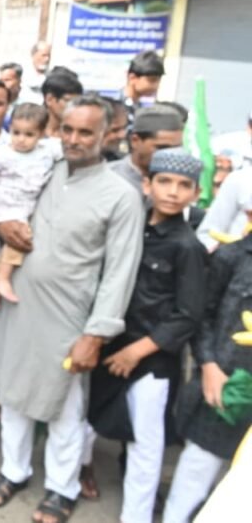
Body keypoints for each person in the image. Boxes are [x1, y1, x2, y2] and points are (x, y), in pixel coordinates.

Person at [0, 95, 144, 523]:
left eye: (85, 132)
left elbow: (120, 272)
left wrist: (95, 334)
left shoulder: (121, 196)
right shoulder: (44, 170)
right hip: (19, 305)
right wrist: (0, 226)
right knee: (13, 395)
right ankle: (14, 470)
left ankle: (61, 487)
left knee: (65, 408)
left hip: (70, 318)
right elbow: (9, 207)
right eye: (67, 129)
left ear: (107, 135)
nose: (74, 139)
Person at [84, 148, 207, 523]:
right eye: (164, 181)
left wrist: (136, 352)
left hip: (152, 359)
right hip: (109, 345)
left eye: (183, 185)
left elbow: (188, 315)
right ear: (147, 184)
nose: (172, 191)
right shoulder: (131, 229)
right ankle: (68, 481)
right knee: (89, 418)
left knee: (145, 444)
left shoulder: (187, 246)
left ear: (196, 193)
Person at [162, 215, 252, 522]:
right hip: (226, 381)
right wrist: (210, 366)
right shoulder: (232, 256)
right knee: (197, 470)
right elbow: (203, 316)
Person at [0, 104, 59, 304]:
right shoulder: (3, 153)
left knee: (16, 238)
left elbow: (63, 150)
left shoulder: (47, 150)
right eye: (16, 133)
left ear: (41, 134)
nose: (21, 139)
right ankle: (3, 277)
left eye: (29, 134)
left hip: (27, 203)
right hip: (7, 201)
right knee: (20, 235)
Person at [109, 106, 184, 193]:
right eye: (162, 148)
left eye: (176, 149)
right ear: (135, 141)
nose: (171, 155)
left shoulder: (183, 182)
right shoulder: (109, 178)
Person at [41, 71, 83, 139]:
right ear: (49, 99)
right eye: (68, 101)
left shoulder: (75, 136)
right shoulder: (29, 130)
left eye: (77, 102)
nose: (74, 107)